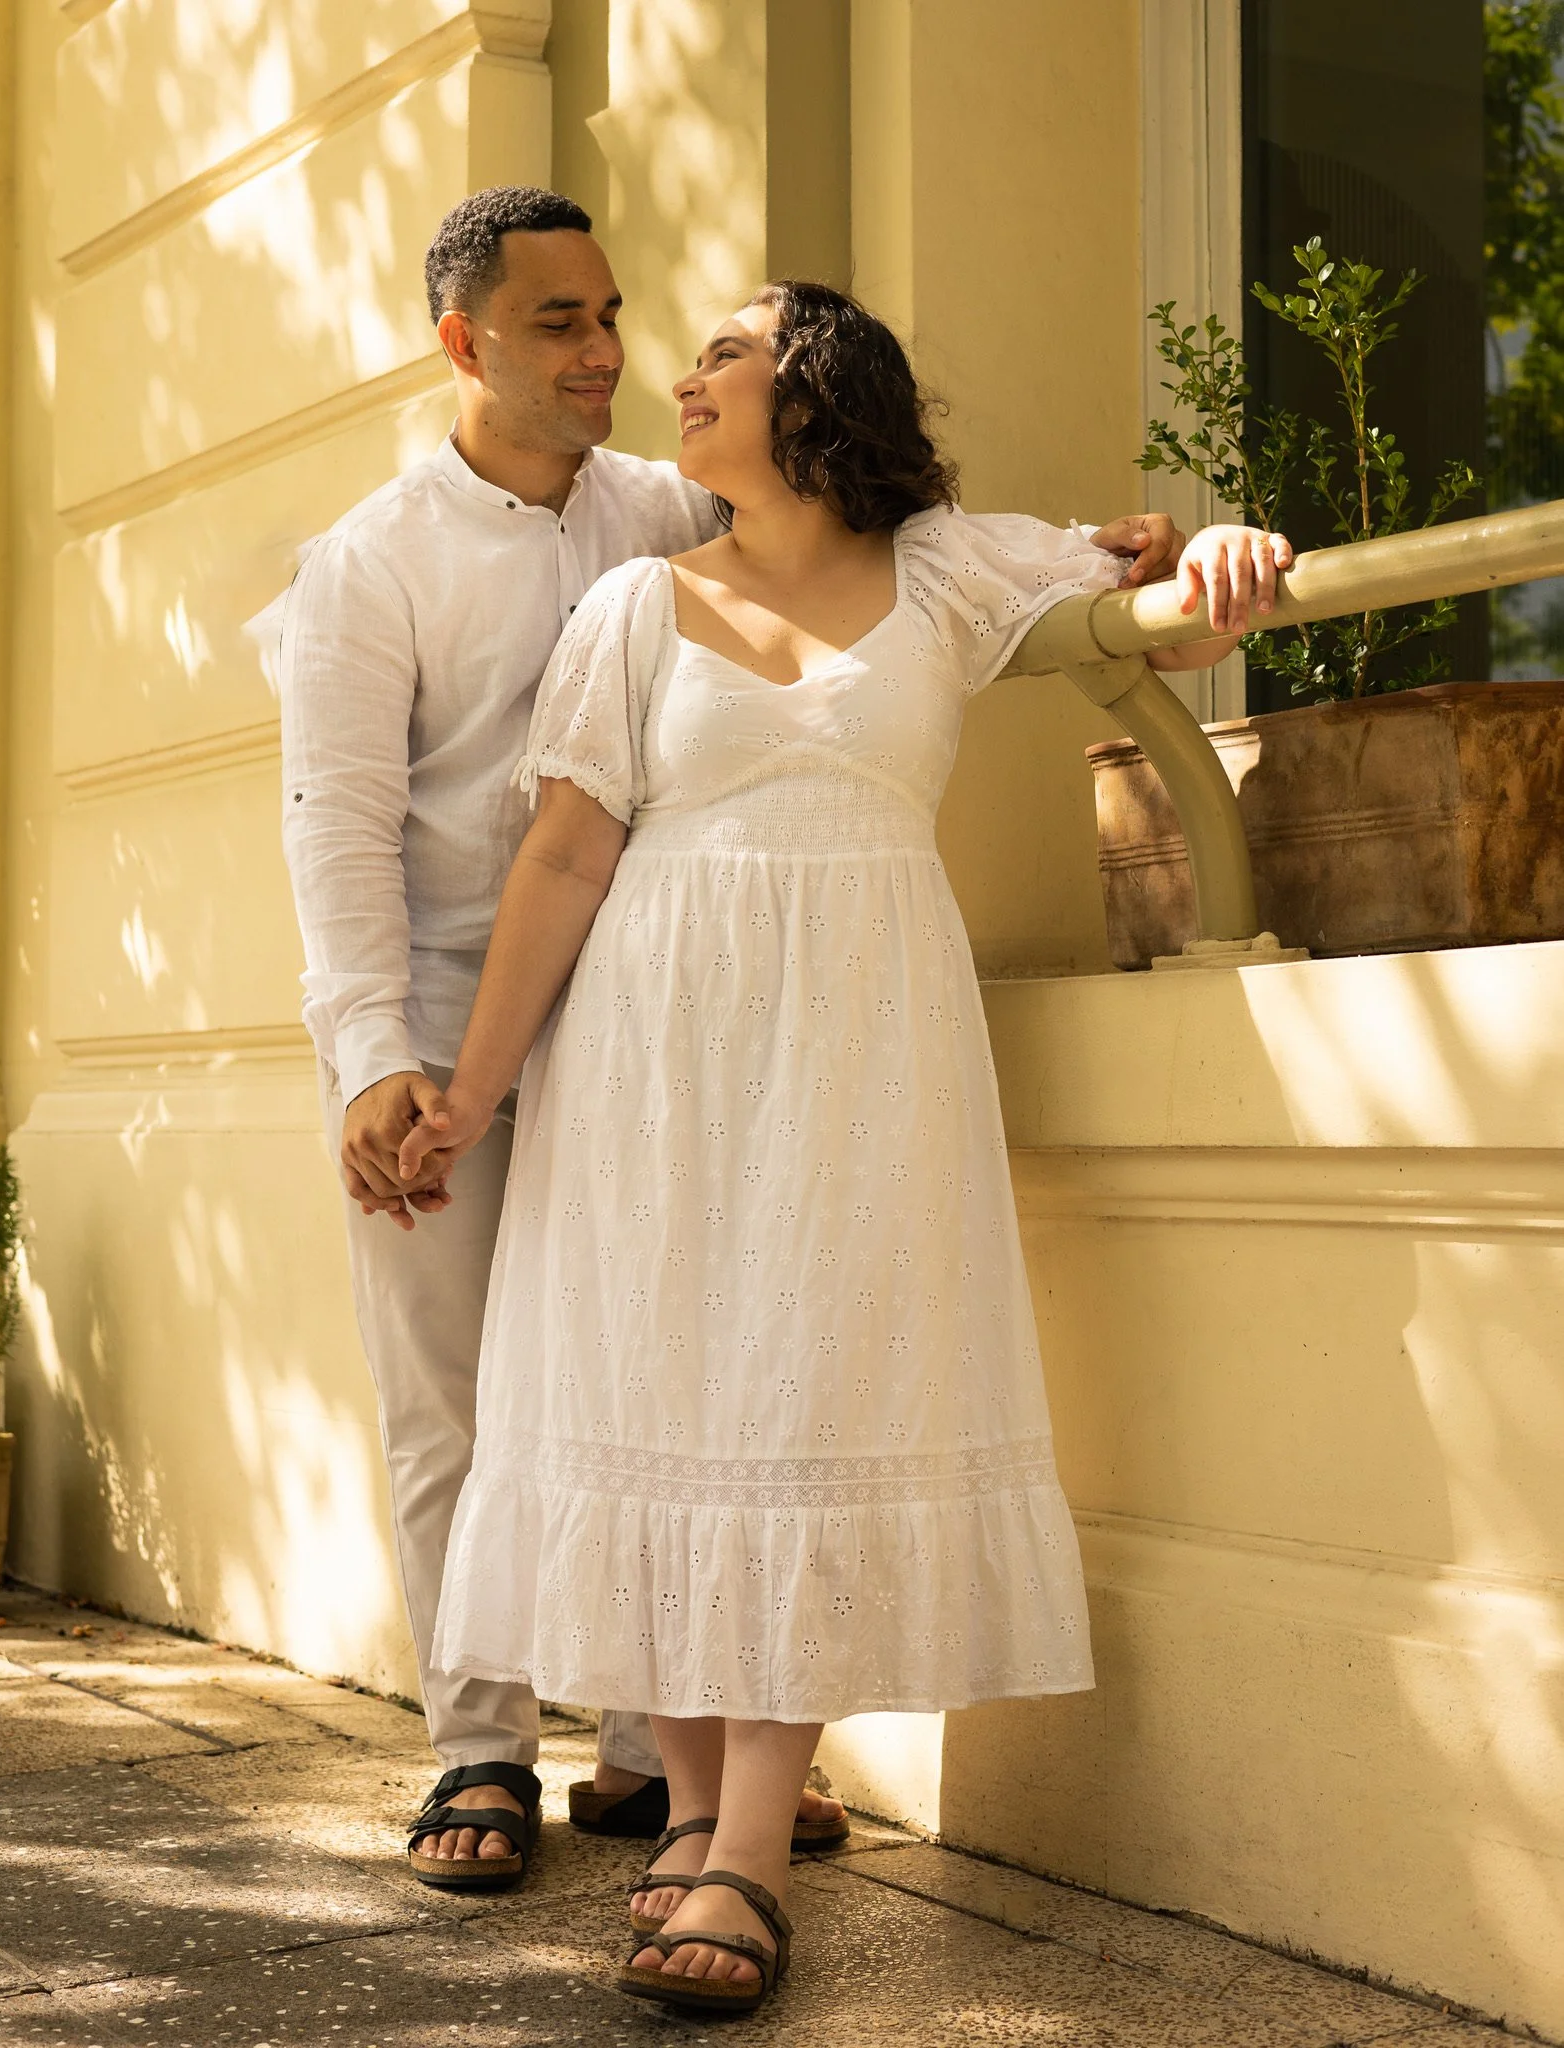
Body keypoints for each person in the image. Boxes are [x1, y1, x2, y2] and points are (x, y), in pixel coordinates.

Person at [278, 186, 1184, 1890]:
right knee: (464, 1392)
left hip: (699, 1007)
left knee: (688, 1366)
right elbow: (336, 824)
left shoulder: (664, 498)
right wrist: (384, 1059)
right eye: (560, 322)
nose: (608, 353)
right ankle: (481, 1746)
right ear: (462, 340)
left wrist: (1122, 552)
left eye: (616, 316)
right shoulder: (371, 562)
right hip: (458, 1000)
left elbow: (879, 539)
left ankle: (659, 1771)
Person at [401, 279, 1292, 2007]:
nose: (680, 376)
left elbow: (1154, 612)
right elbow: (564, 860)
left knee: (805, 1401)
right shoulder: (633, 608)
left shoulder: (944, 568)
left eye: (723, 354)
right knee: (668, 1395)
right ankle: (696, 1818)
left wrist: (1217, 549)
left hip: (865, 1051)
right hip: (651, 1050)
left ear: (814, 391)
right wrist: (468, 1094)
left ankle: (743, 1849)